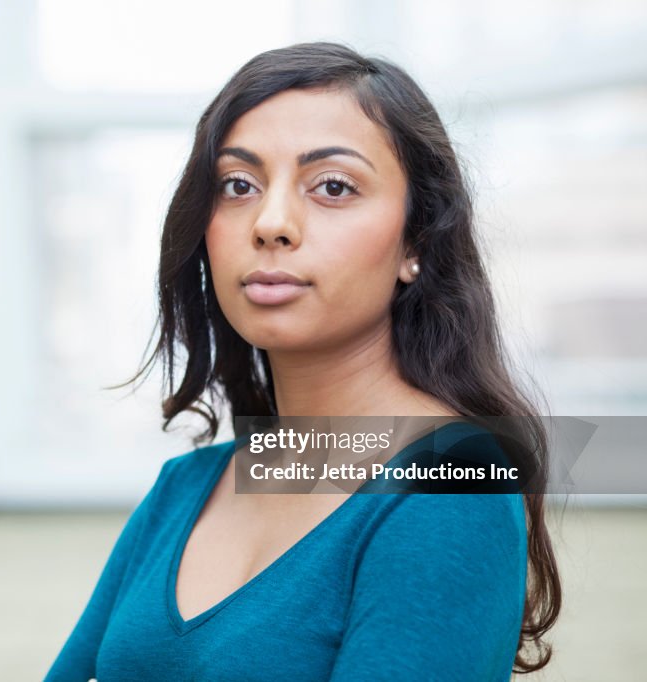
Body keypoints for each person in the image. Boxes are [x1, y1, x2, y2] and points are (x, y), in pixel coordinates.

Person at [45, 42, 560, 680]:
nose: (271, 222)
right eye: (238, 185)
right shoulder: (182, 490)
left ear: (416, 243)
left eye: (333, 187)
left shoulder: (451, 487)